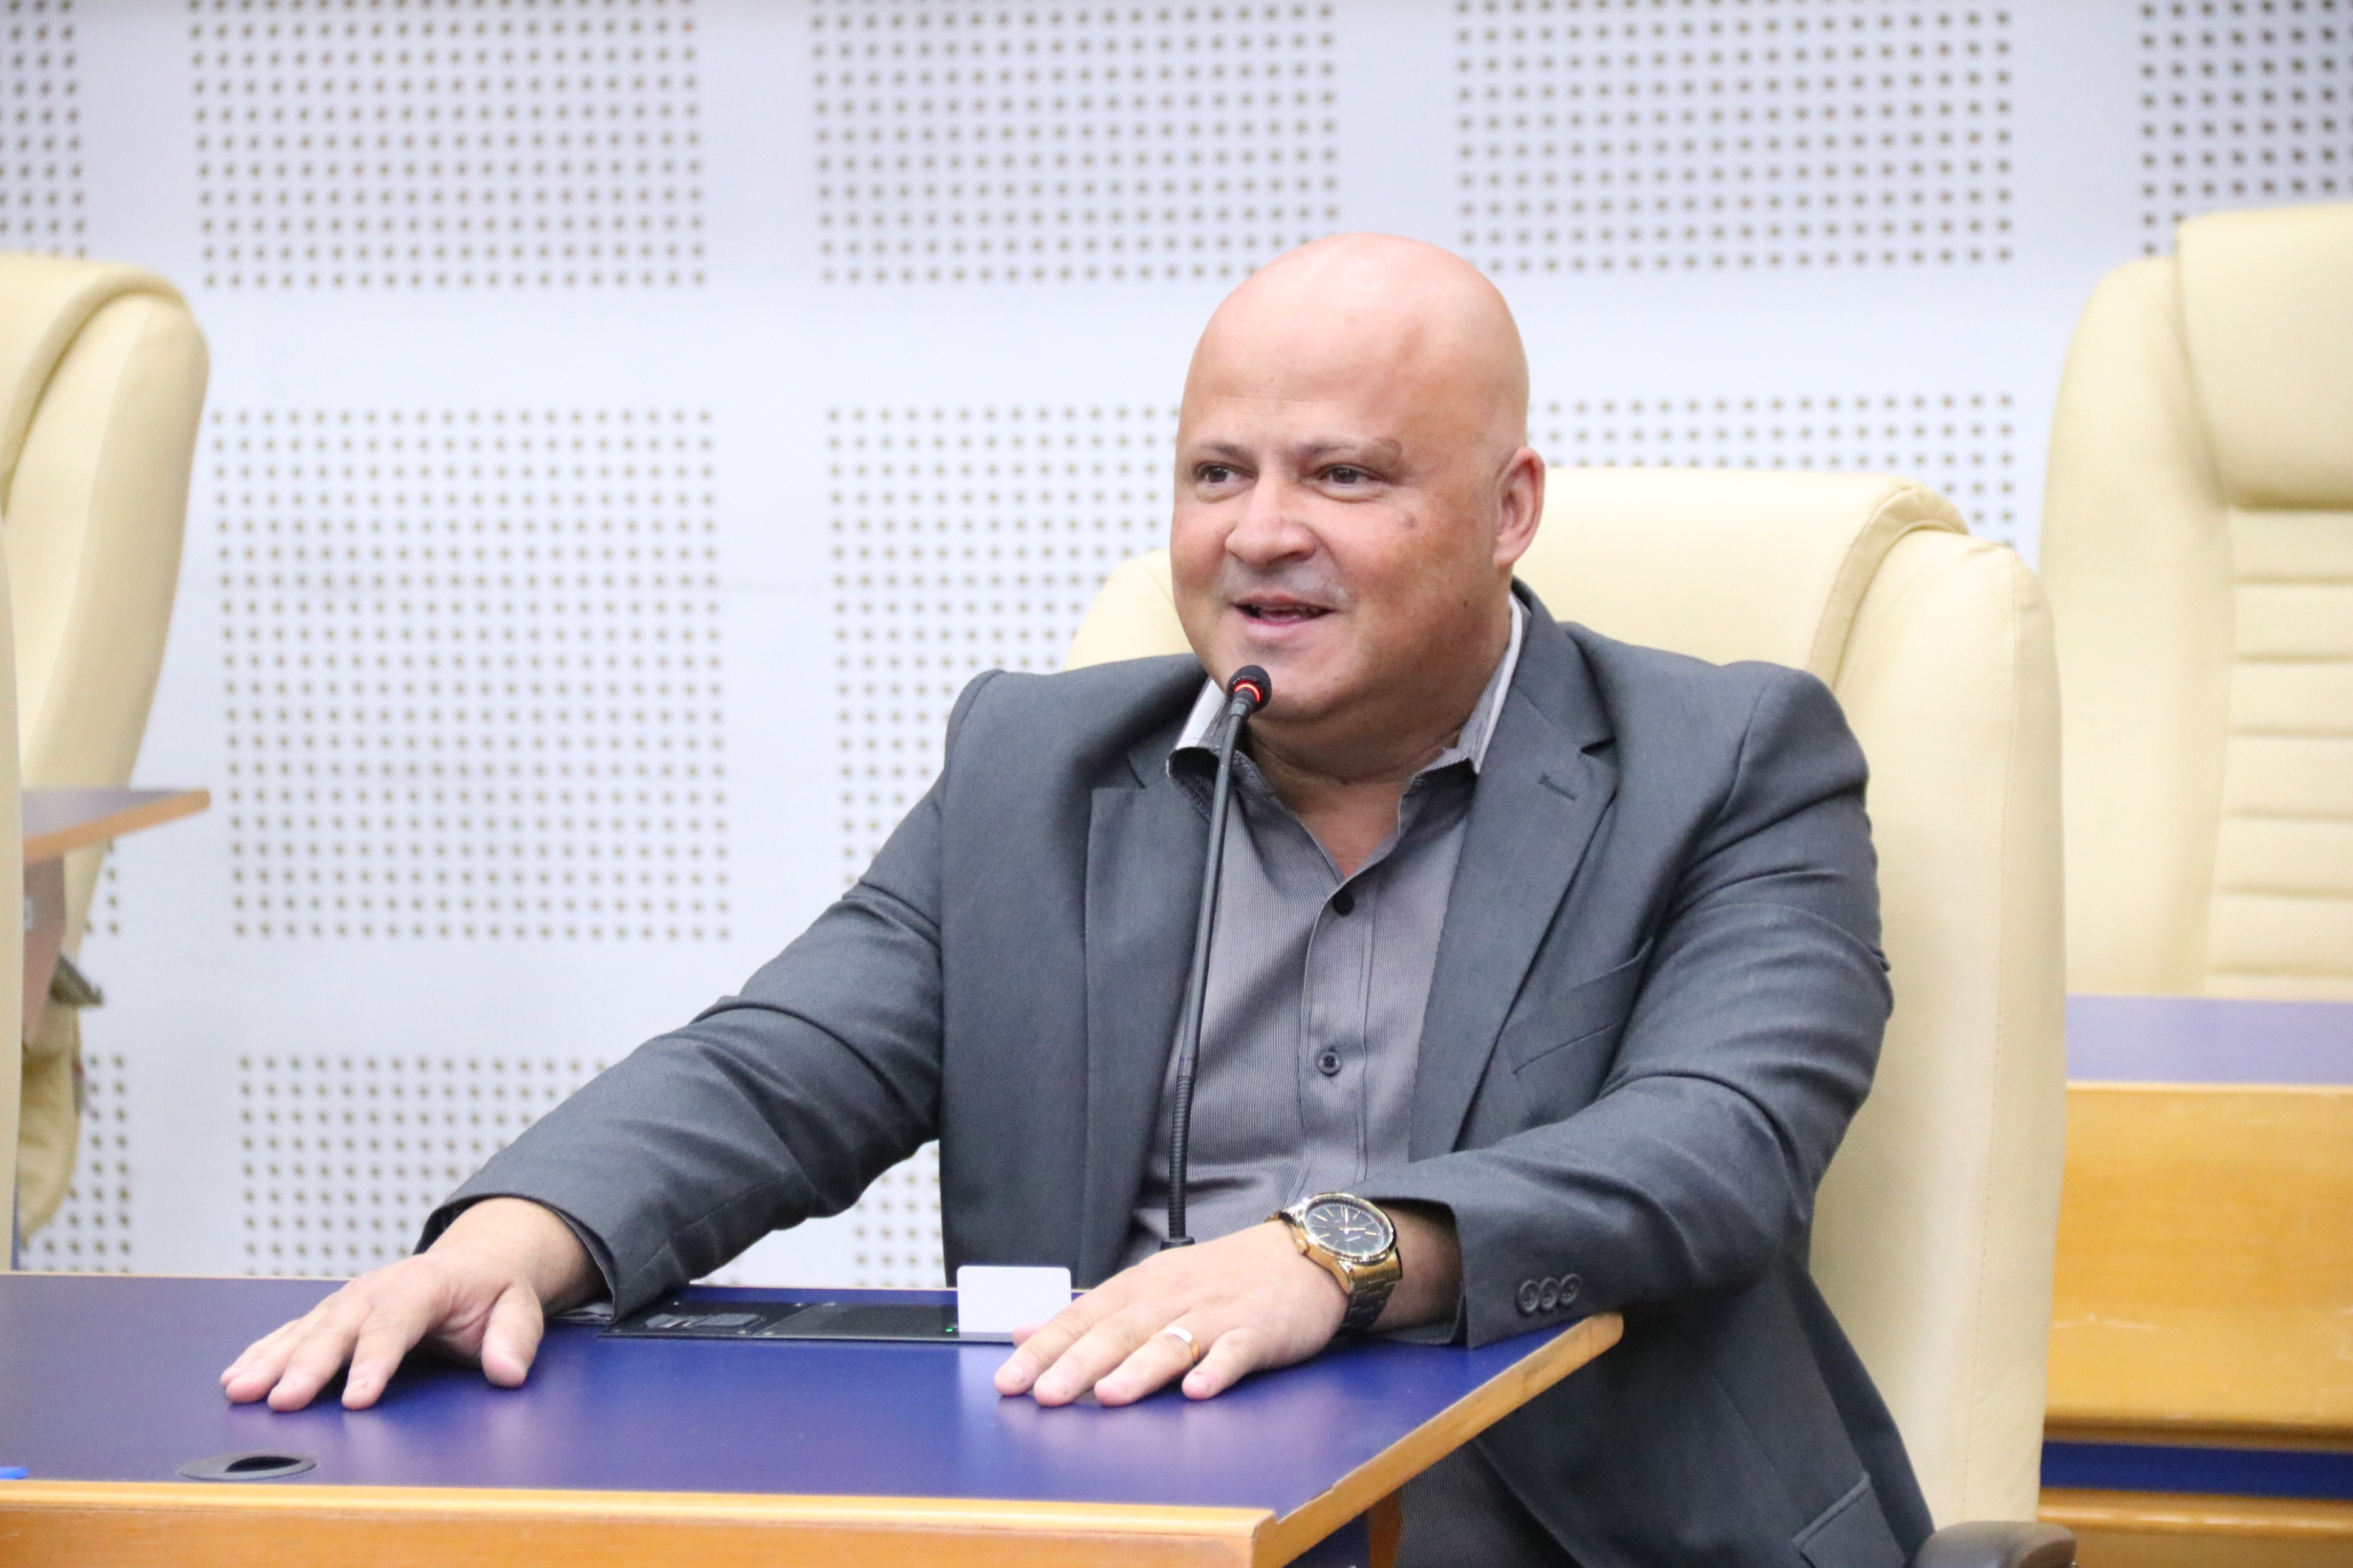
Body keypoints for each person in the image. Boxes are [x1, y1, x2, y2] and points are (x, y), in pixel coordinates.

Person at [222, 235, 1929, 1567]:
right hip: (1128, 1529)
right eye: (1216, 475)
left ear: (1510, 511)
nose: (1261, 535)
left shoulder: (1727, 760)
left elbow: (1717, 1145)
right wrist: (517, 1239)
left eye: (1344, 477)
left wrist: (1336, 1254)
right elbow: (781, 1063)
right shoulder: (1034, 769)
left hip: (1577, 1532)